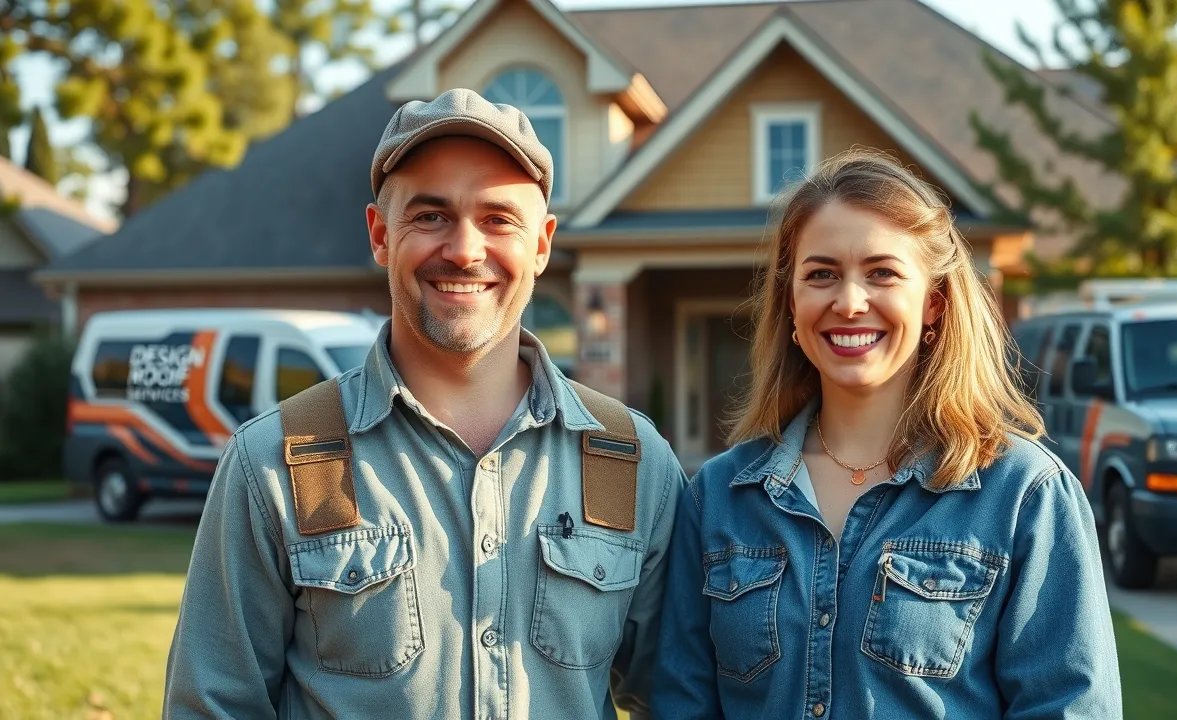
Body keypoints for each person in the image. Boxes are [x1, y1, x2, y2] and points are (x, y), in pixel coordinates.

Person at [164, 88, 684, 719]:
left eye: (499, 219)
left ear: (542, 246)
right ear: (381, 235)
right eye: (431, 216)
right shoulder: (275, 461)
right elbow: (212, 706)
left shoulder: (632, 461)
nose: (465, 250)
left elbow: (678, 701)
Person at [651, 150, 1122, 719]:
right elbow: (683, 705)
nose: (849, 302)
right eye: (821, 274)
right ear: (792, 305)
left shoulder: (1025, 495)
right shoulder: (720, 497)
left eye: (883, 273)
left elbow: (1068, 708)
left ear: (934, 304)